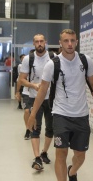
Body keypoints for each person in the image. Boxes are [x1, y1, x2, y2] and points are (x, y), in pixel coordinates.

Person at [28, 29, 93, 181]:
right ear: (60, 43)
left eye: (72, 40)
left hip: (81, 115)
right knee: (61, 153)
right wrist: (32, 114)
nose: (70, 44)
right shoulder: (52, 65)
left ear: (76, 41)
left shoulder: (85, 60)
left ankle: (72, 171)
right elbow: (42, 90)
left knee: (80, 155)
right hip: (60, 114)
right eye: (66, 41)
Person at [19, 34, 55, 170]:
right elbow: (21, 79)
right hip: (35, 97)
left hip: (51, 98)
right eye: (37, 42)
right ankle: (37, 158)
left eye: (42, 41)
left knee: (50, 128)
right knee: (35, 128)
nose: (39, 43)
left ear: (45, 42)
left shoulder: (53, 57)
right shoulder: (28, 59)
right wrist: (33, 85)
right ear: (33, 44)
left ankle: (44, 152)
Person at [15, 54, 31, 139]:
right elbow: (19, 80)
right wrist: (17, 92)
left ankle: (34, 128)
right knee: (27, 111)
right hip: (26, 93)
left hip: (37, 93)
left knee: (35, 113)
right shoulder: (21, 68)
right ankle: (28, 129)